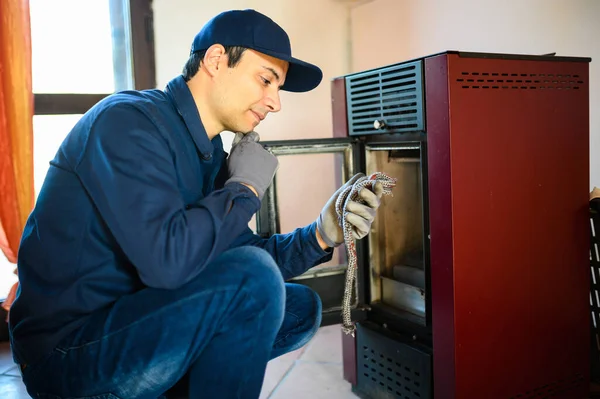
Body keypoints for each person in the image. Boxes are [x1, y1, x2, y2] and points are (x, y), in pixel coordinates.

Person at [9, 9, 385, 399]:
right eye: (266, 80)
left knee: (299, 308)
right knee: (251, 281)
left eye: (278, 88)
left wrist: (321, 234)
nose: (275, 103)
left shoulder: (207, 151)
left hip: (134, 322)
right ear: (216, 60)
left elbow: (239, 255)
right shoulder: (127, 124)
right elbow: (168, 264)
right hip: (67, 354)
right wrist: (245, 188)